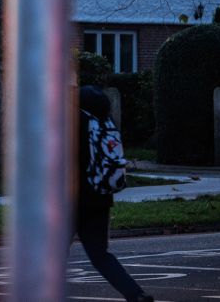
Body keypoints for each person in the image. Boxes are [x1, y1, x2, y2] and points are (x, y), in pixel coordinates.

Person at [74, 86, 154, 302]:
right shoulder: (106, 123)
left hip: (71, 200)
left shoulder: (75, 123)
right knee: (101, 255)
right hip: (101, 197)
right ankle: (136, 294)